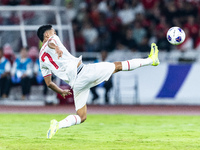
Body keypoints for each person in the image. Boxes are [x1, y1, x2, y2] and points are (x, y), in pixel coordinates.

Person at [37, 24, 160, 139]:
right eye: (53, 31)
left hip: (76, 84)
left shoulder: (41, 60)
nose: (55, 33)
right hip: (83, 73)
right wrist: (57, 48)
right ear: (47, 34)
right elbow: (51, 43)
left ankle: (58, 125)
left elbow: (48, 83)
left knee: (81, 116)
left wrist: (61, 91)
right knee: (117, 66)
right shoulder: (52, 39)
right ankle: (151, 60)